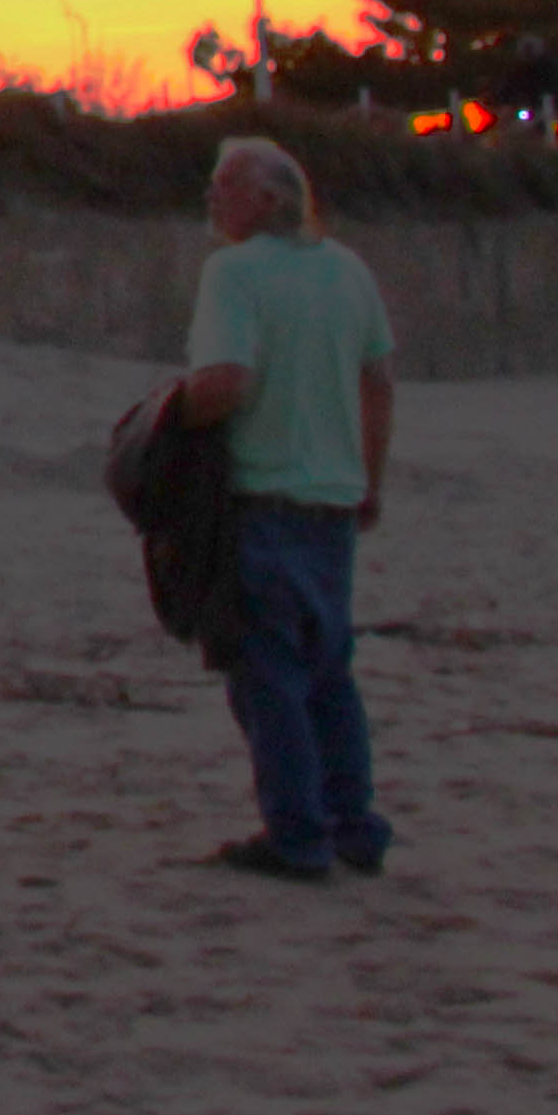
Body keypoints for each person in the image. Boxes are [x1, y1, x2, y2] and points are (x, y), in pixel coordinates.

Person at [177, 135, 397, 879]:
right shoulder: (348, 269)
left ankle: (298, 833)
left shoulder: (233, 272)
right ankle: (351, 821)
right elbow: (378, 380)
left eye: (224, 185)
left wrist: (167, 419)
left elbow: (227, 381)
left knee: (268, 676)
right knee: (328, 670)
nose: (211, 198)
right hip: (332, 500)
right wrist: (370, 478)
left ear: (268, 199)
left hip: (262, 497)